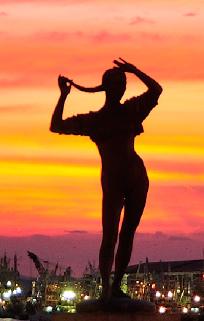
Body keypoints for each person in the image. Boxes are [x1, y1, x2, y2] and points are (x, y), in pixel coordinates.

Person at [50, 58, 162, 301]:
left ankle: (117, 286)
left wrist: (134, 70)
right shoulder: (96, 120)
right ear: (106, 88)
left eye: (123, 84)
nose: (121, 88)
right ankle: (106, 289)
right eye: (116, 84)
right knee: (109, 235)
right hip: (112, 182)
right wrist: (63, 95)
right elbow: (56, 125)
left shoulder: (131, 110)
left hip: (136, 178)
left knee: (127, 234)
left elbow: (156, 90)